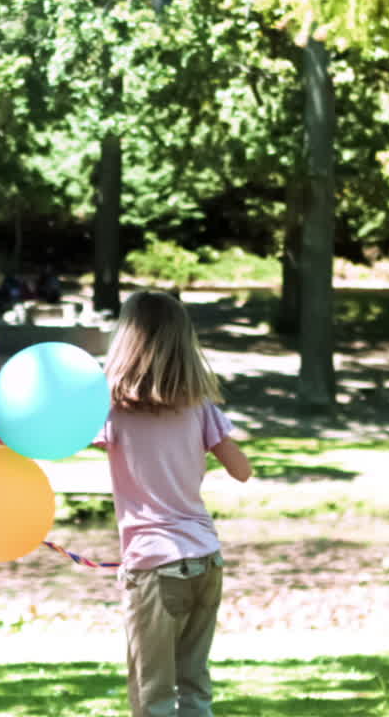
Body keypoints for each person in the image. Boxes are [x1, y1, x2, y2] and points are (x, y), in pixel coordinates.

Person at [95, 290, 252, 717]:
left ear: (126, 340)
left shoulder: (111, 409)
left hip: (155, 567)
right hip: (206, 559)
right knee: (195, 687)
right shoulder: (199, 406)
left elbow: (49, 440)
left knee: (154, 697)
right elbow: (242, 470)